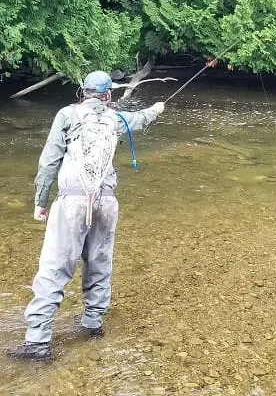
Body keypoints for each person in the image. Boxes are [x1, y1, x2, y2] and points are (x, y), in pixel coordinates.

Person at [7, 71, 165, 360]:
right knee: (99, 264)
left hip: (72, 203)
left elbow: (49, 161)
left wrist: (40, 202)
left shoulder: (66, 115)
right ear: (108, 96)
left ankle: (38, 344)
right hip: (106, 203)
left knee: (55, 269)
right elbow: (142, 118)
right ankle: (93, 326)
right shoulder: (117, 119)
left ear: (84, 92)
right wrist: (157, 109)